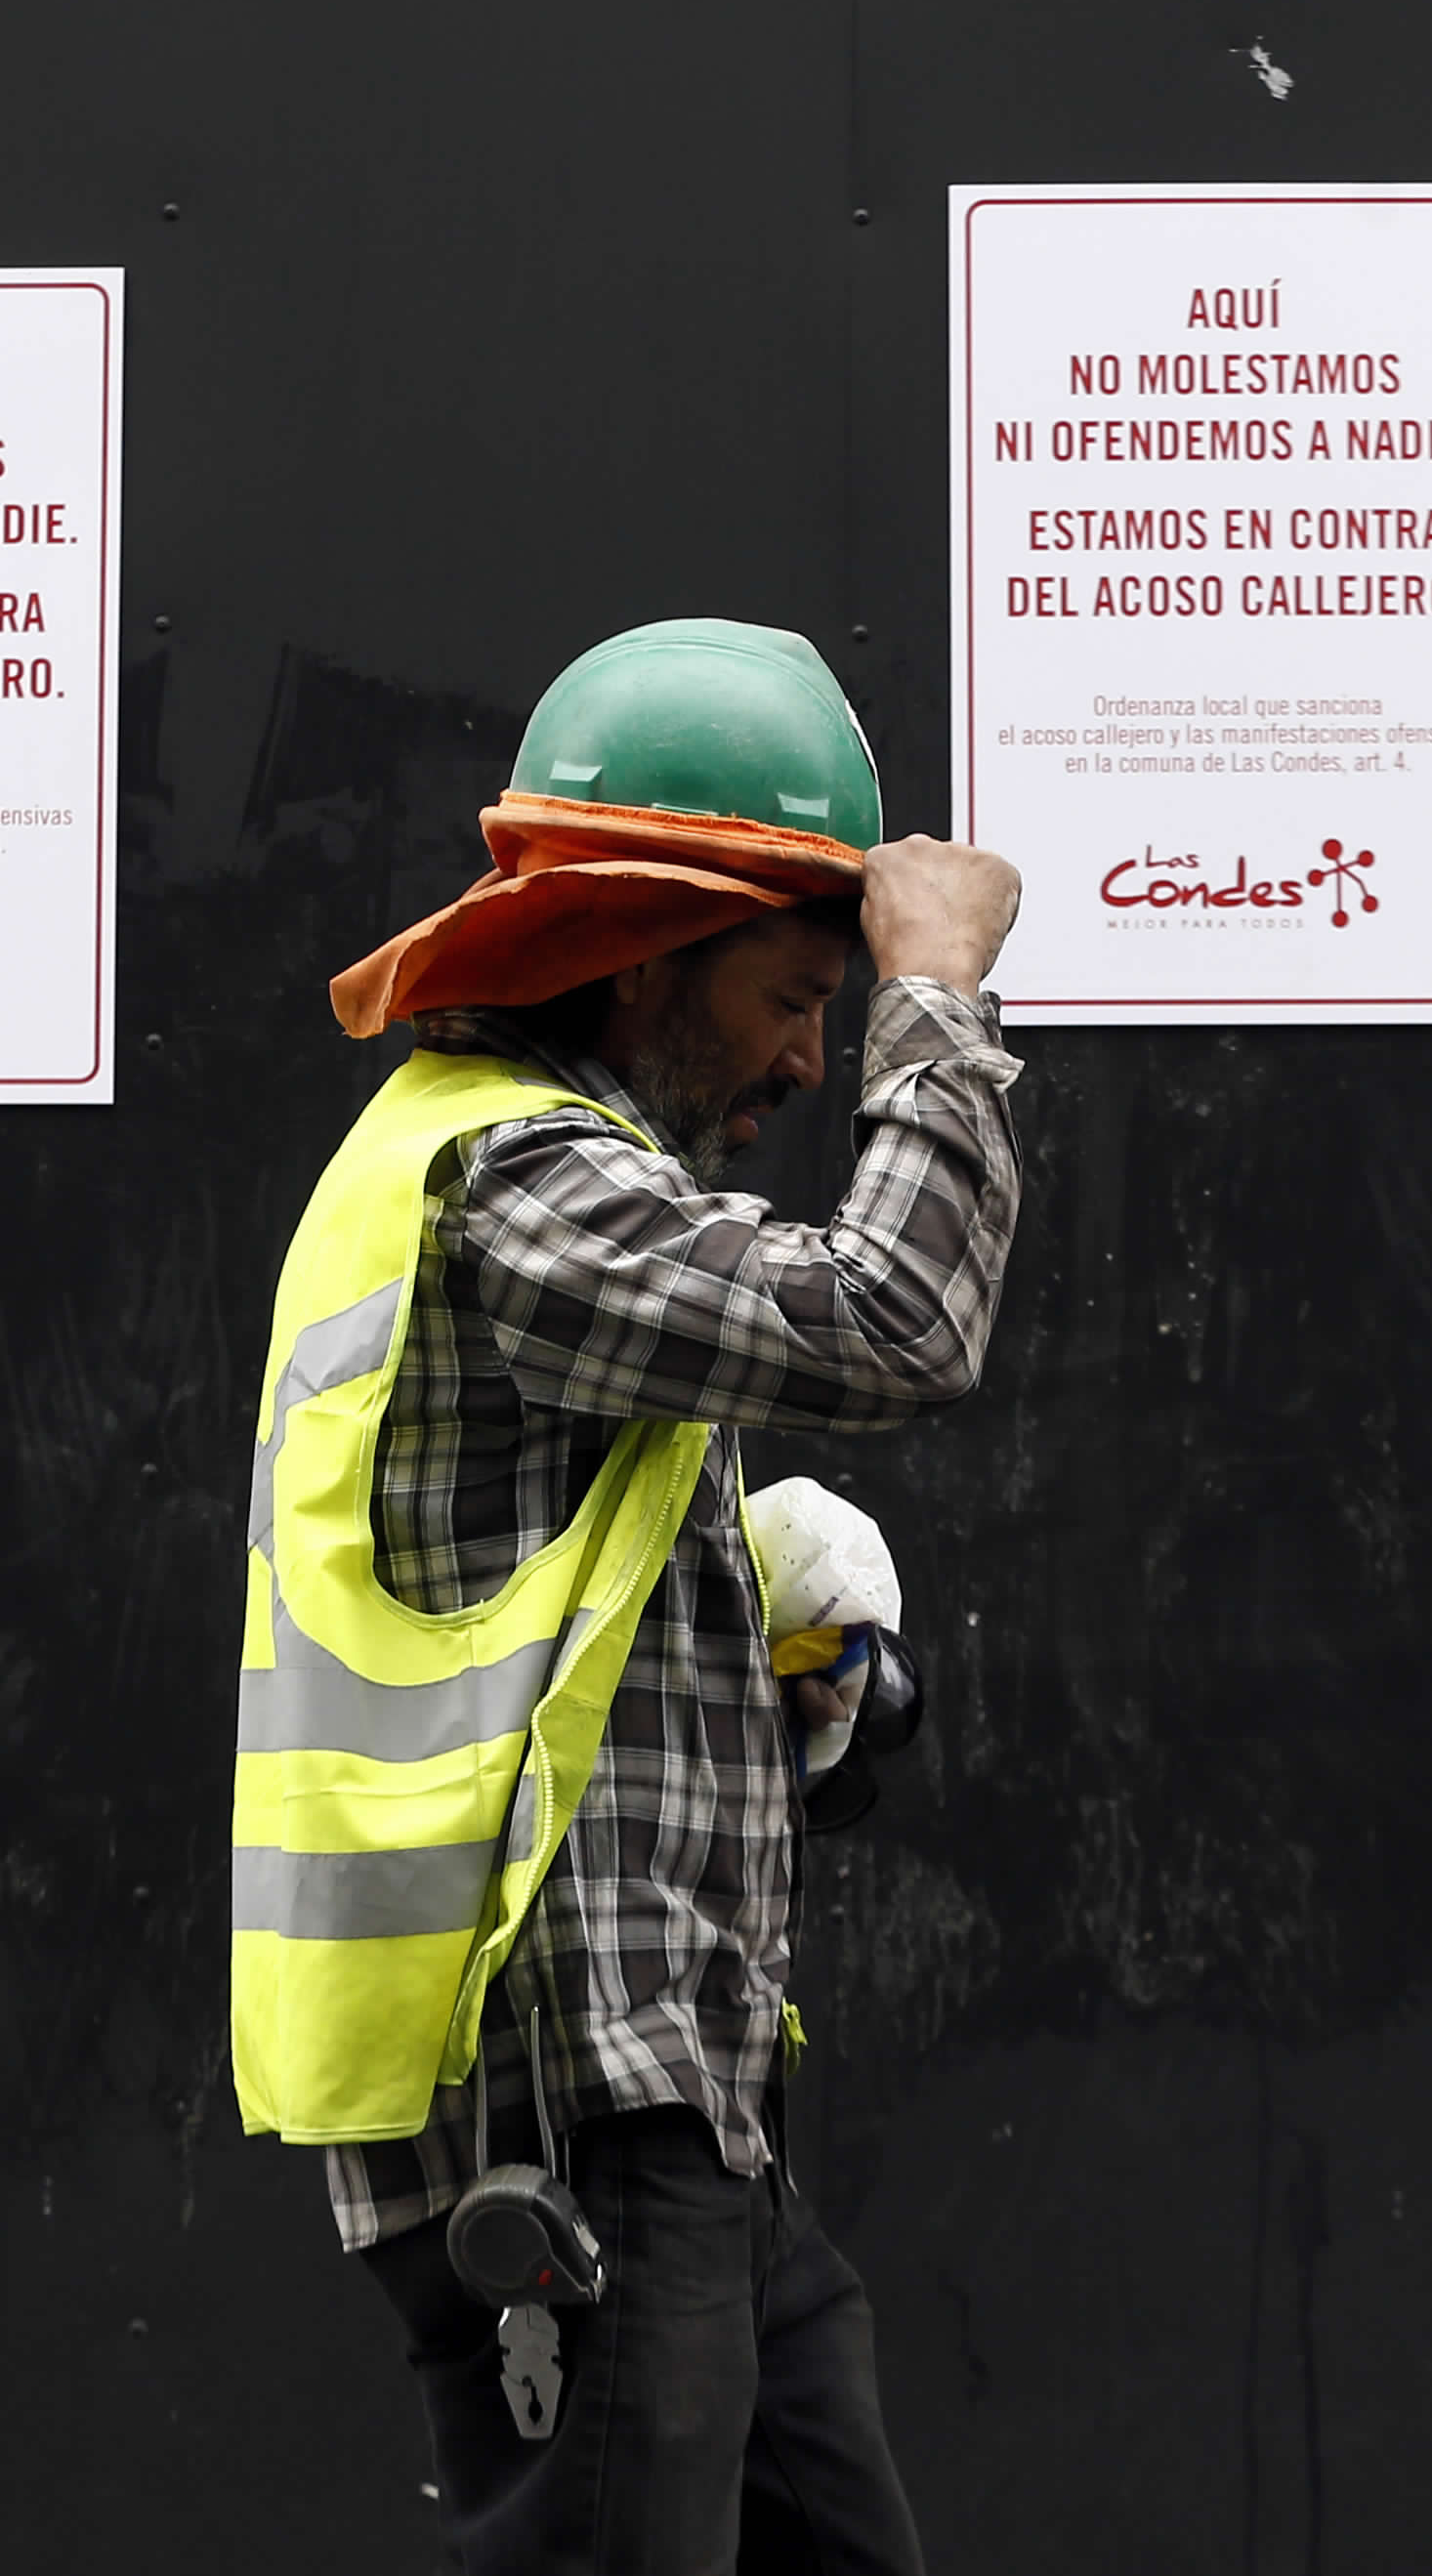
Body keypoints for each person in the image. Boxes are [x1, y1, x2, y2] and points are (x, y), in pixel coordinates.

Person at [228, 618, 1026, 2572]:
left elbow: (534, 1586)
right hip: (561, 2109)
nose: (806, 1054)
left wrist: (779, 1634)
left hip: (683, 2105)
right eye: (788, 992)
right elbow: (899, 1315)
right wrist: (936, 991)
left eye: (839, 1005)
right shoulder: (516, 1180)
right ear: (648, 952)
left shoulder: (553, 1199)